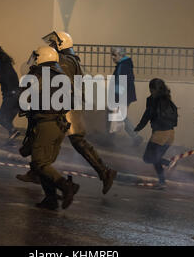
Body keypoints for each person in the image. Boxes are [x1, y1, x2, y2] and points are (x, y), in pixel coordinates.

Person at [17, 31, 117, 195]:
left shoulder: (62, 60)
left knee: (63, 137)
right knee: (67, 140)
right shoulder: (71, 59)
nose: (51, 46)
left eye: (54, 43)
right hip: (69, 103)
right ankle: (37, 171)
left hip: (64, 106)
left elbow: (61, 83)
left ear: (60, 44)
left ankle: (104, 172)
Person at [21, 46, 80, 210]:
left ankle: (66, 186)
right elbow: (73, 101)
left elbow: (24, 98)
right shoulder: (62, 75)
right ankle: (50, 199)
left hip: (46, 123)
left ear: (42, 57)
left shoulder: (37, 74)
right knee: (45, 164)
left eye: (37, 56)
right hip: (60, 125)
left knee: (39, 162)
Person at [134, 79, 178, 190]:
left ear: (154, 89)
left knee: (149, 158)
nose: (150, 91)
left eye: (151, 89)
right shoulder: (167, 99)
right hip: (170, 134)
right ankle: (163, 180)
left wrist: (138, 127)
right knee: (155, 158)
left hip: (160, 134)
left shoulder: (154, 100)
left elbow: (147, 115)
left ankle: (168, 165)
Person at [110, 47, 143, 146]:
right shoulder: (124, 65)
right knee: (120, 116)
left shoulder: (123, 66)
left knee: (119, 116)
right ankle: (134, 137)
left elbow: (121, 83)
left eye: (114, 55)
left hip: (123, 96)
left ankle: (134, 137)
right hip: (125, 95)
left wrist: (117, 98)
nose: (112, 57)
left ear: (121, 55)